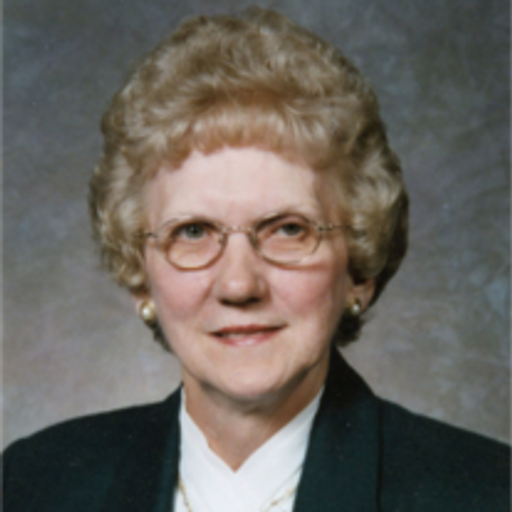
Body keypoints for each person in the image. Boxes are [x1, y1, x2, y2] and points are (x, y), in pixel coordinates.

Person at [1, 7, 510, 512]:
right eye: (193, 232)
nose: (239, 285)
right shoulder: (32, 485)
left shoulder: (486, 493)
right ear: (139, 276)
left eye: (288, 229)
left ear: (358, 268)